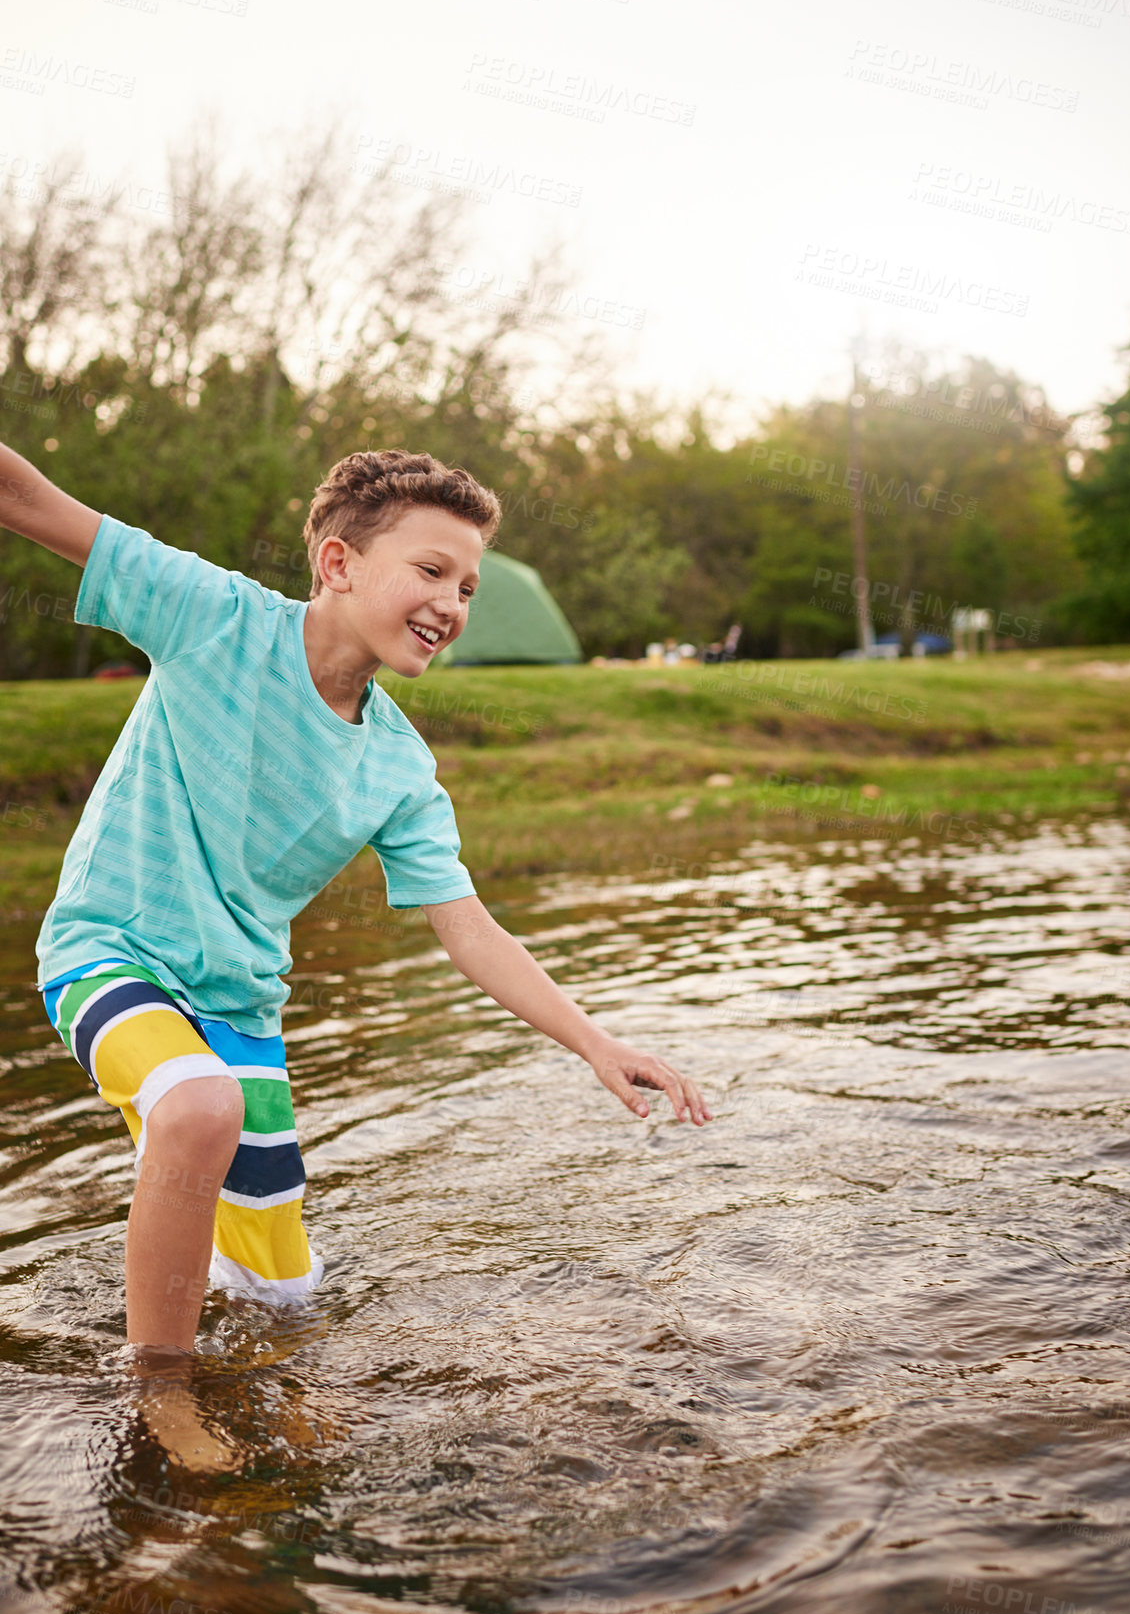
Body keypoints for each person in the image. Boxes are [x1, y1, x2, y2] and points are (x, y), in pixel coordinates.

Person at [0, 444, 712, 1465]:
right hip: (108, 951)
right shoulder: (215, 617)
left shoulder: (397, 766)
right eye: (430, 570)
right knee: (200, 1104)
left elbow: (466, 924)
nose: (453, 601)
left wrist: (595, 1043)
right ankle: (160, 1390)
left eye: (467, 585)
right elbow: (33, 500)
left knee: (285, 1294)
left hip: (240, 1004)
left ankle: (269, 1392)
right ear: (337, 564)